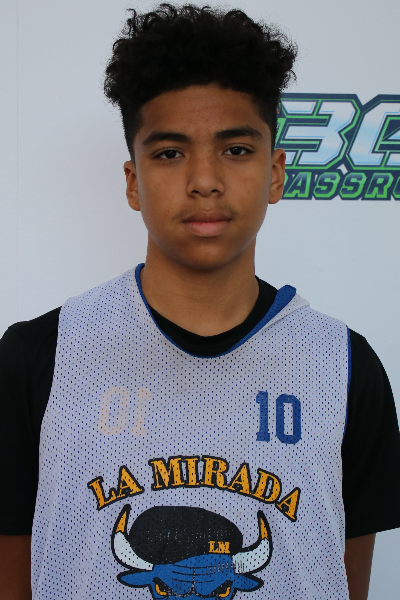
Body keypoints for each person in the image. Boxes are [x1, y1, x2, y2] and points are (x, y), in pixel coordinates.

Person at [0, 4, 399, 600]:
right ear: (133, 181)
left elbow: (342, 581)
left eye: (236, 149)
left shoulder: (344, 368)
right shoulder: (36, 358)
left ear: (276, 173)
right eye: (170, 152)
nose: (205, 180)